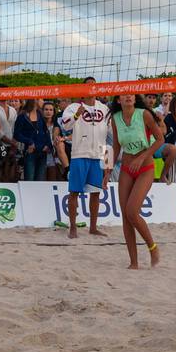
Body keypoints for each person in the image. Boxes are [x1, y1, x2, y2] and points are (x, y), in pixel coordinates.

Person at [110, 93, 165, 268]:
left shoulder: (144, 114)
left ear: (134, 99)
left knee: (132, 211)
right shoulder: (115, 118)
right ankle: (133, 262)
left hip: (145, 168)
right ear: (118, 100)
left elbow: (160, 139)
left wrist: (142, 158)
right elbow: (116, 146)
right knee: (125, 217)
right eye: (124, 95)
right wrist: (106, 170)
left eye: (131, 94)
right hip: (126, 168)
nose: (128, 97)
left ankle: (153, 247)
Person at [60, 77, 110, 238]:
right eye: (88, 86)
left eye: (94, 85)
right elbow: (65, 126)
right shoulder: (73, 107)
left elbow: (109, 135)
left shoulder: (104, 108)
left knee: (96, 193)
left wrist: (108, 161)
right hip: (79, 154)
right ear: (82, 89)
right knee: (74, 191)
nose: (91, 88)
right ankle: (73, 227)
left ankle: (93, 227)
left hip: (98, 155)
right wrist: (76, 115)